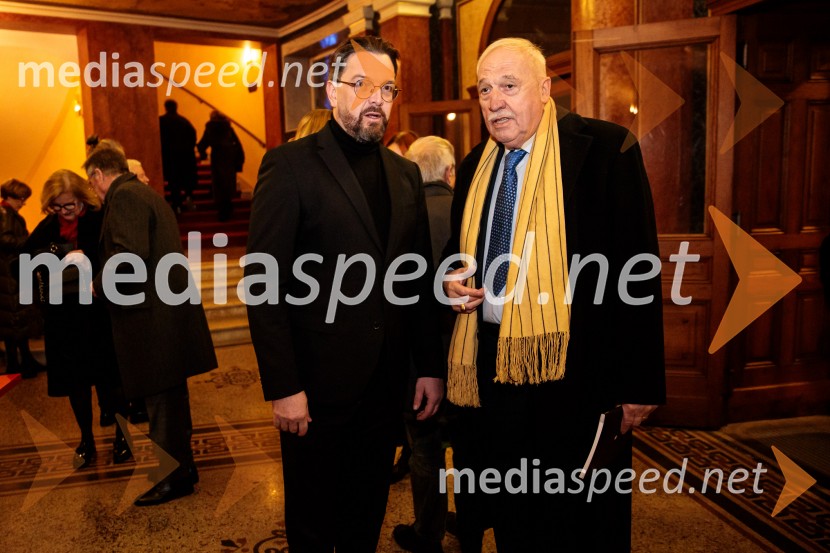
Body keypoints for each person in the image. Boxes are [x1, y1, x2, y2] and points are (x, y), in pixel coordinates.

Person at [442, 38, 665, 552]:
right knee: (516, 515)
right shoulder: (476, 165)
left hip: (579, 377)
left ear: (544, 89)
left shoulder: (606, 150)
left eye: (509, 86)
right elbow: (458, 254)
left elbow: (639, 272)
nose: (494, 101)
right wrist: (449, 282)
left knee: (579, 523)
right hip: (494, 371)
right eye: (485, 90)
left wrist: (640, 383)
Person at [246, 36, 444, 553]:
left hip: (383, 389)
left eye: (388, 88)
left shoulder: (404, 175)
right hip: (314, 389)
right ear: (333, 90)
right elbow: (264, 283)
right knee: (312, 524)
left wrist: (428, 366)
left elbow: (416, 277)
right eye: (361, 84)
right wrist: (283, 386)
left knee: (365, 516)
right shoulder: (289, 165)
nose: (376, 98)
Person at [84, 147, 217, 506]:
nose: (92, 188)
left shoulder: (125, 196)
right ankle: (183, 471)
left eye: (90, 180)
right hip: (165, 314)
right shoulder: (144, 193)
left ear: (98, 174)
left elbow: (129, 256)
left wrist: (97, 282)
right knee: (172, 401)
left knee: (162, 403)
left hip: (151, 319)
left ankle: (171, 478)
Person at [24, 169, 132, 468]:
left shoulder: (100, 219)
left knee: (111, 380)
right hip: (64, 319)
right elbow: (23, 261)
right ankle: (86, 438)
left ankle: (123, 436)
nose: (63, 212)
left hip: (99, 313)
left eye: (69, 205)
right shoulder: (47, 228)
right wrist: (56, 255)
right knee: (76, 383)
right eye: (56, 207)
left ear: (81, 199)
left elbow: (119, 259)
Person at [392, 136, 457, 553]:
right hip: (471, 353)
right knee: (473, 447)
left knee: (424, 449)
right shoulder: (471, 212)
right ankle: (469, 525)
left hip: (418, 360)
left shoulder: (400, 218)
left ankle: (427, 531)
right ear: (450, 172)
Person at [0, 179, 44, 378]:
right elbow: (5, 240)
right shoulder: (6, 215)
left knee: (15, 321)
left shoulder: (7, 214)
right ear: (10, 196)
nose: (23, 203)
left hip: (9, 272)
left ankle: (21, 361)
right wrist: (29, 240)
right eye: (21, 199)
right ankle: (20, 363)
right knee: (16, 319)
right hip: (11, 273)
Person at [197, 110, 244, 221]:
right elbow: (238, 144)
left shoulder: (211, 128)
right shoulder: (228, 128)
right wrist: (239, 161)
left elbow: (202, 143)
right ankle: (228, 207)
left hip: (218, 156)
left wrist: (202, 154)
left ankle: (222, 211)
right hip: (229, 157)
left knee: (219, 183)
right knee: (228, 182)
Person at [159, 99, 198, 213]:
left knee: (173, 182)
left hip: (170, 157)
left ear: (166, 107)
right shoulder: (184, 121)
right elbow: (193, 135)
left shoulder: (161, 121)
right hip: (185, 156)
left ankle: (177, 205)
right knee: (186, 179)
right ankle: (188, 196)